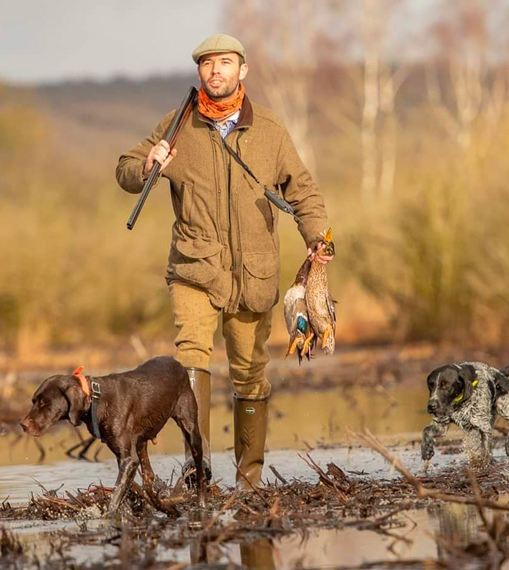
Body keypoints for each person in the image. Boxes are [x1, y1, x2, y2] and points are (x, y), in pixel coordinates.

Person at [116, 34, 332, 489]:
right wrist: (149, 161)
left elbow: (304, 192)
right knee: (192, 357)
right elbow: (125, 171)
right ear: (199, 72)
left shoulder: (270, 132)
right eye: (208, 63)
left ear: (243, 70)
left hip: (255, 274)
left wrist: (318, 238)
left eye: (226, 63)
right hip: (194, 268)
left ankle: (248, 479)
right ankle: (199, 472)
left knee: (251, 374)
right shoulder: (176, 127)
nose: (216, 71)